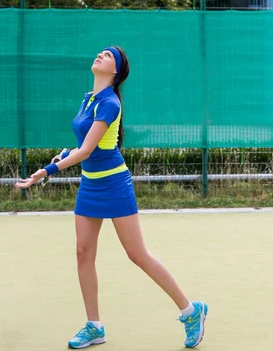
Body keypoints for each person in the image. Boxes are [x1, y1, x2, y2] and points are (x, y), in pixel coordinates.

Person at [15, 46, 208, 349]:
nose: (99, 56)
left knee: (137, 254)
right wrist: (65, 154)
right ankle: (94, 326)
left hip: (115, 185)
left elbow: (88, 150)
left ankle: (190, 311)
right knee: (83, 252)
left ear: (115, 71)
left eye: (107, 56)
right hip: (90, 184)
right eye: (100, 53)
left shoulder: (110, 103)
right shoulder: (88, 99)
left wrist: (48, 169)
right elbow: (86, 144)